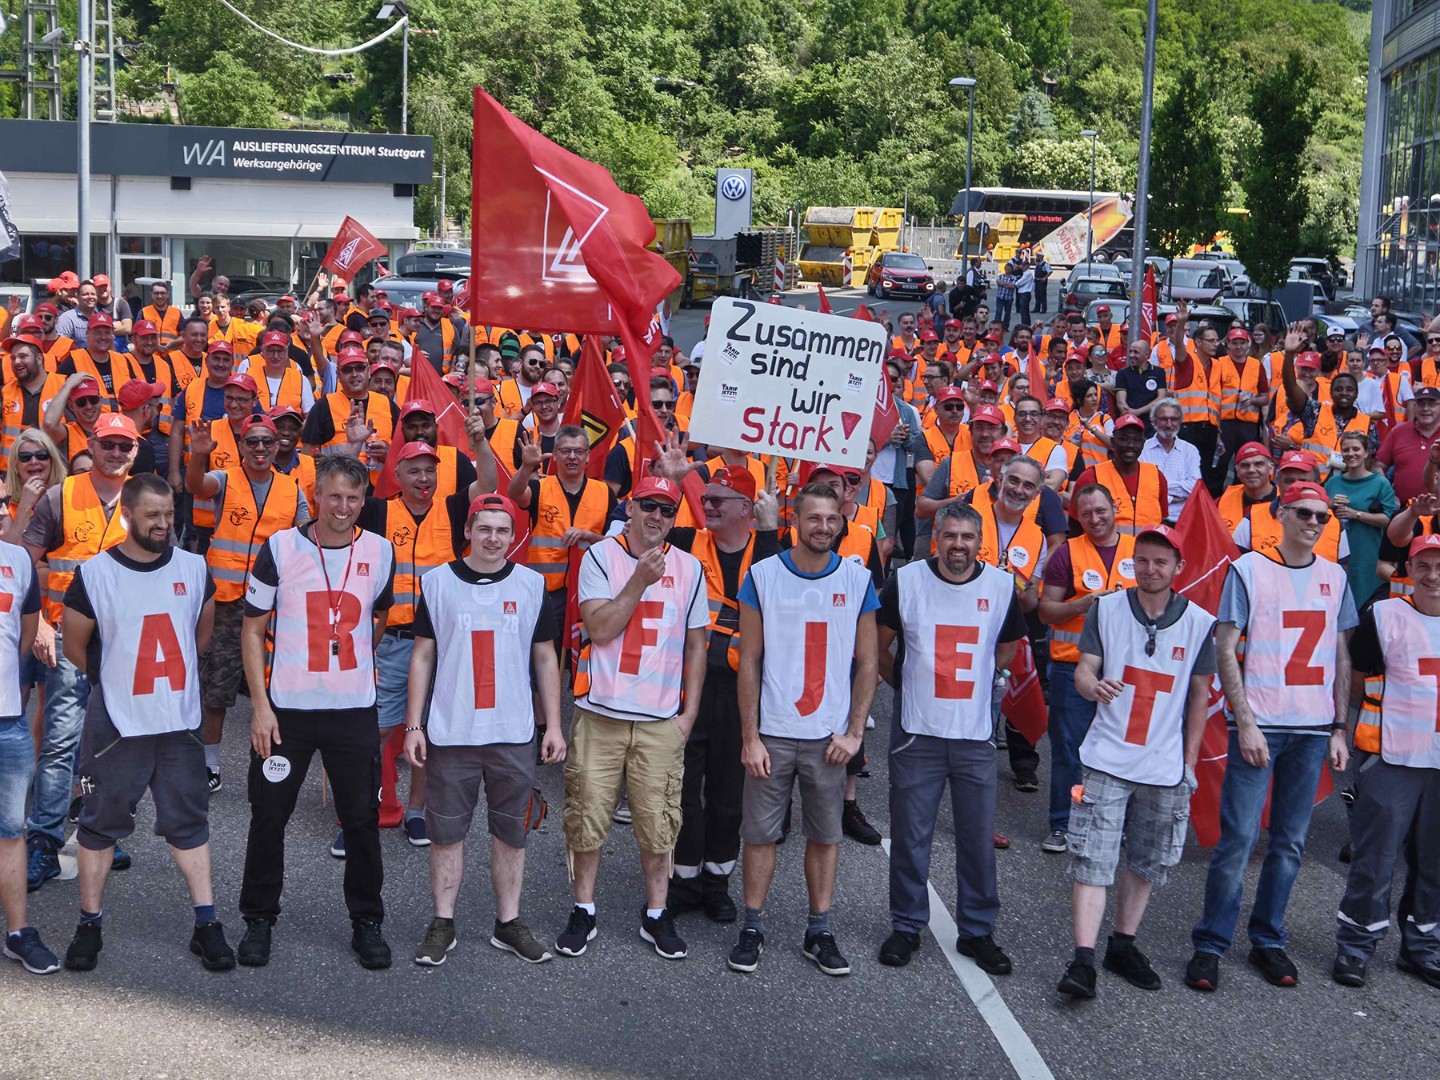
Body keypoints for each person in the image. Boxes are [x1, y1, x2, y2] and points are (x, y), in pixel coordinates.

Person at [59, 474, 234, 972]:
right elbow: (76, 645)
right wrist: (114, 680)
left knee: (190, 821)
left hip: (177, 719)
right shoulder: (95, 574)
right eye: (152, 514)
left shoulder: (195, 568)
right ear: (128, 515)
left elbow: (200, 634)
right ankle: (89, 923)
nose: (163, 523)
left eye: (169, 513)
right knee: (98, 823)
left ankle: (207, 923)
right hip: (117, 721)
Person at [1186, 481, 1356, 992]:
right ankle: (1210, 944)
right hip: (1260, 725)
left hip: (1311, 729)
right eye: (1304, 513)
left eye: (1322, 518)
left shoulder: (1336, 577)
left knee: (1289, 844)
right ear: (1282, 514)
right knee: (1238, 840)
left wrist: (1340, 727)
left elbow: (1342, 656)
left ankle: (1267, 939)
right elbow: (1225, 647)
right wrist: (1246, 720)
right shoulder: (1248, 569)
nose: (1313, 523)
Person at [236, 455, 398, 970]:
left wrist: (345, 667)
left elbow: (378, 616)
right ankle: (259, 919)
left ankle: (366, 922)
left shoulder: (381, 550)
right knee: (268, 816)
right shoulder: (280, 548)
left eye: (353, 498)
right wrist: (260, 707)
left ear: (363, 500)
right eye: (334, 496)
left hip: (353, 711)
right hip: (288, 712)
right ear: (315, 496)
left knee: (361, 821)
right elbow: (251, 629)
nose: (343, 508)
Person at [403, 493, 564, 966]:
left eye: (503, 531)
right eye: (485, 529)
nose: (493, 539)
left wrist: (553, 724)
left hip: (512, 732)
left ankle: (508, 922)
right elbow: (423, 655)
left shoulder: (533, 585)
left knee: (511, 833)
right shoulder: (436, 583)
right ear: (468, 531)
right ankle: (443, 921)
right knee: (446, 833)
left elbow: (545, 657)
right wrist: (415, 724)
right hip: (452, 731)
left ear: (514, 538)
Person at [1056, 525, 1215, 999]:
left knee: (1146, 861)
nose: (1150, 569)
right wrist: (1091, 685)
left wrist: (1187, 765)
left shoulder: (1199, 622)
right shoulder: (1105, 608)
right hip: (1107, 755)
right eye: (1143, 560)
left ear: (1178, 568)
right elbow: (1084, 668)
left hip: (1162, 765)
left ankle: (1122, 944)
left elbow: (1200, 697)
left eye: (1160, 562)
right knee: (1092, 858)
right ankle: (1083, 959)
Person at [728, 482, 878, 977]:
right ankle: (752, 926)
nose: (823, 527)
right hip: (773, 732)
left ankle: (819, 929)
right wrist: (750, 737)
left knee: (826, 835)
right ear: (795, 520)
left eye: (831, 519)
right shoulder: (763, 575)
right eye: (813, 518)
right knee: (760, 835)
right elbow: (748, 661)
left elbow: (869, 664)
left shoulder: (857, 579)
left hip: (828, 738)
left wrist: (855, 734)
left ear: (842, 521)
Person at [557, 476, 707, 961]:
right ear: (632, 506)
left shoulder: (690, 567)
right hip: (602, 714)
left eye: (667, 509)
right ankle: (584, 908)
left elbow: (697, 644)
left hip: (661, 720)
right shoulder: (602, 556)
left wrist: (689, 714)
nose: (657, 517)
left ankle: (657, 913)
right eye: (648, 506)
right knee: (587, 816)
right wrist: (640, 579)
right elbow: (599, 629)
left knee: (658, 821)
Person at [876, 502, 1024, 972]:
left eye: (968, 537)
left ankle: (977, 930)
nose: (958, 545)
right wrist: (904, 688)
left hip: (974, 733)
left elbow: (1007, 645)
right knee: (910, 834)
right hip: (916, 732)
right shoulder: (907, 581)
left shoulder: (1001, 587)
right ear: (935, 537)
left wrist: (991, 680)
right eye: (950, 536)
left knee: (977, 838)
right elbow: (879, 647)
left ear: (981, 542)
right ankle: (906, 924)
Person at [642, 456, 781, 922]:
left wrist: (770, 529)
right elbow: (640, 531)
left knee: (728, 790)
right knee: (682, 786)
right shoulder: (685, 540)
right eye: (706, 500)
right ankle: (684, 878)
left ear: (747, 507)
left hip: (743, 690)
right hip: (688, 685)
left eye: (720, 501)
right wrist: (678, 479)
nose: (708, 507)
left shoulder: (770, 548)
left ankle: (718, 879)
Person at [22, 413, 139, 891]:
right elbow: (24, 564)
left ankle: (99, 832)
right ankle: (44, 844)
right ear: (92, 442)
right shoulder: (60, 495)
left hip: (126, 643)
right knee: (60, 744)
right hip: (68, 639)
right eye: (107, 444)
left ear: (134, 450)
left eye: (123, 446)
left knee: (113, 746)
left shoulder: (145, 497)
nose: (115, 453)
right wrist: (40, 628)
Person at [1333, 533, 1440, 989]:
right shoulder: (1384, 615)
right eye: (1424, 567)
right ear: (1409, 571)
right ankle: (1356, 946)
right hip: (1391, 758)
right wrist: (1352, 737)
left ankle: (1423, 947)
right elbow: (1357, 682)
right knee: (1374, 861)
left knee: (1435, 864)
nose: (1433, 576)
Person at [188, 413, 310, 794]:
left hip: (274, 605)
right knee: (217, 690)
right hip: (226, 604)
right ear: (241, 446)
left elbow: (309, 537)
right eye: (252, 441)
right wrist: (198, 454)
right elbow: (195, 484)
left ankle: (272, 762)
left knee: (276, 689)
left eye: (267, 442)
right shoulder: (224, 479)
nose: (259, 448)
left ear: (279, 446)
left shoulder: (293, 490)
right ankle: (208, 765)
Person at [1038, 484, 1136, 853]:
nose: (1095, 519)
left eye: (1101, 510)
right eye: (1087, 513)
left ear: (1115, 507)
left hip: (1126, 671)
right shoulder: (1067, 553)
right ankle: (1064, 823)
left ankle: (1119, 825)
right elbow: (1046, 610)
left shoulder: (1138, 549)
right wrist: (1082, 605)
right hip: (1071, 667)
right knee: (1070, 750)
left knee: (1123, 749)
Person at [0, 523, 49, 972]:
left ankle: (18, 934)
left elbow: (27, 629)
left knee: (11, 832)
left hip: (8, 720)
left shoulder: (17, 562)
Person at [1325, 430, 1397, 607]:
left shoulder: (1380, 483)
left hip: (1368, 553)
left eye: (1356, 449)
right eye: (1346, 449)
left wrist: (1356, 514)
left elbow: (1390, 520)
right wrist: (1329, 506)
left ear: (1366, 452)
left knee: (1365, 603)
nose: (1351, 454)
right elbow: (1321, 516)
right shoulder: (1333, 483)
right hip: (1337, 552)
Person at [1070, 415, 1168, 534]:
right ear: (1112, 442)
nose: (1130, 445)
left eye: (1136, 440)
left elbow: (1160, 522)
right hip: (1104, 551)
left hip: (1147, 551)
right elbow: (1076, 525)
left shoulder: (1157, 477)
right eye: (1123, 439)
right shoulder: (1091, 477)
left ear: (1143, 443)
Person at [1140, 400, 1202, 522]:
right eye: (1163, 419)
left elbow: (1195, 486)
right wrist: (1173, 498)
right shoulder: (1143, 449)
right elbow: (1143, 487)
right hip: (1152, 519)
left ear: (1180, 421)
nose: (1169, 424)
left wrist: (1160, 490)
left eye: (1173, 419)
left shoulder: (1190, 450)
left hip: (1183, 522)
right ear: (1154, 421)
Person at [1378, 385, 1440, 504]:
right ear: (1414, 407)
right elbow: (1378, 466)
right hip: (1404, 510)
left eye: (1432, 404)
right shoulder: (1398, 431)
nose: (1425, 408)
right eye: (1421, 403)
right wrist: (1388, 494)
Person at [1114, 340, 1168, 432]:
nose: (1131, 355)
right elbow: (1120, 402)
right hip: (1130, 423)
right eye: (1130, 351)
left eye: (1136, 352)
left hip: (1152, 424)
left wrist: (1137, 412)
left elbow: (1161, 398)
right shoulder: (1122, 373)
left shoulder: (1159, 372)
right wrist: (1131, 416)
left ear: (1147, 355)